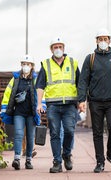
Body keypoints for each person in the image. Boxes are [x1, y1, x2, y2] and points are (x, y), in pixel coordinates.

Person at [78, 28, 111, 173]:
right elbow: (83, 81)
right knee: (97, 132)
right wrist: (82, 99)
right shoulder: (90, 58)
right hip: (95, 102)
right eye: (100, 39)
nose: (103, 42)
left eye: (105, 39)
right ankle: (100, 162)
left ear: (109, 41)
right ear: (96, 41)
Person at [35, 37, 80, 173]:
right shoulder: (46, 64)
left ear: (64, 48)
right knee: (55, 133)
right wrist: (39, 104)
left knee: (69, 131)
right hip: (53, 105)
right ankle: (57, 162)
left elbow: (80, 84)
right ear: (51, 49)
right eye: (55, 47)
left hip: (70, 104)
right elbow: (40, 85)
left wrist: (82, 102)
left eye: (60, 47)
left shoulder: (73, 63)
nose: (58, 49)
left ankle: (66, 154)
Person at [0, 55, 40, 170]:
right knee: (18, 134)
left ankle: (28, 160)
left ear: (32, 66)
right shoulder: (15, 78)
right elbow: (8, 93)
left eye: (28, 64)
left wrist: (41, 106)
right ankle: (16, 159)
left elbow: (41, 93)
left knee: (30, 137)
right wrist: (4, 109)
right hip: (19, 112)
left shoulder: (36, 79)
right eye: (24, 64)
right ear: (21, 65)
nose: (26, 66)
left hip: (31, 113)